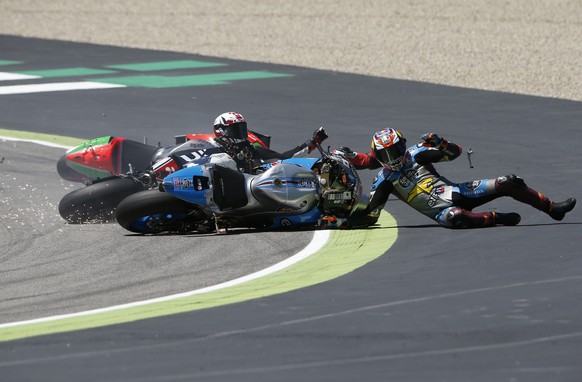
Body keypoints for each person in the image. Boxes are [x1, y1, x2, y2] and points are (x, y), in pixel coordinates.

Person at [335, 128, 576, 228]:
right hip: (442, 212)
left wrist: (441, 143)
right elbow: (372, 215)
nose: (393, 157)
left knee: (508, 181)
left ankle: (552, 208)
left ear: (403, 146)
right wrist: (342, 220)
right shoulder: (383, 180)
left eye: (396, 150)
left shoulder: (417, 153)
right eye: (386, 154)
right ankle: (496, 218)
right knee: (456, 217)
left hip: (461, 192)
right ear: (377, 155)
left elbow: (454, 154)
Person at [212, 112, 328, 173]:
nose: (241, 133)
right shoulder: (213, 149)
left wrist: (312, 143)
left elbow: (283, 158)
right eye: (236, 129)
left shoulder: (251, 149)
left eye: (242, 128)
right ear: (222, 131)